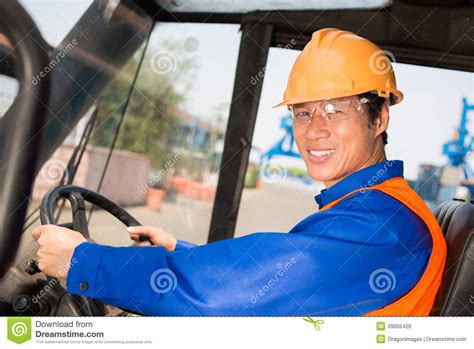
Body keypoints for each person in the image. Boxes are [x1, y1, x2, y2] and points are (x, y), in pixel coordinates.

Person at [32, 28, 446, 316]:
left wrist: (82, 261)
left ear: (379, 119)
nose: (314, 130)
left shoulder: (381, 226)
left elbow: (236, 291)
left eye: (336, 110)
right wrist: (181, 251)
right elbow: (276, 280)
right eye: (303, 113)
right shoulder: (364, 209)